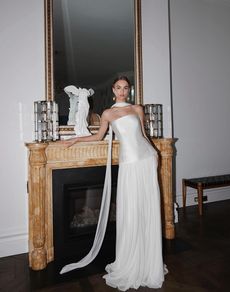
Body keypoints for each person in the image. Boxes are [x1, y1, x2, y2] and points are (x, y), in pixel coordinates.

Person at [59, 76, 168, 290]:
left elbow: (144, 136)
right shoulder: (108, 113)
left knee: (147, 208)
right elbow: (99, 137)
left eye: (126, 88)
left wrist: (156, 154)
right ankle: (131, 261)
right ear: (113, 90)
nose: (122, 91)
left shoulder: (137, 108)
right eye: (118, 88)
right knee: (131, 210)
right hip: (129, 163)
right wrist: (75, 138)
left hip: (146, 159)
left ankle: (148, 262)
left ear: (129, 90)